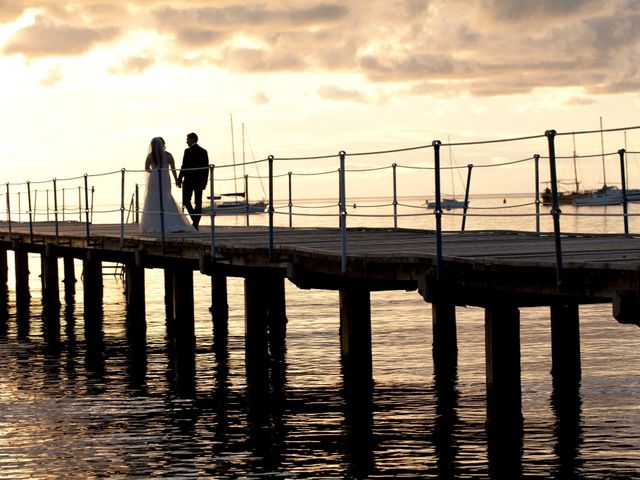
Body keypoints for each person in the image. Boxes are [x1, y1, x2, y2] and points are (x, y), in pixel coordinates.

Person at [140, 137, 195, 233]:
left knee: (152, 198)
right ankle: (172, 221)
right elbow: (173, 169)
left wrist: (154, 172)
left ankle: (153, 222)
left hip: (154, 179)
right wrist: (176, 180)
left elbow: (146, 168)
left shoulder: (150, 156)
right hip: (165, 178)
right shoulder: (169, 156)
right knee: (166, 197)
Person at [177, 132, 209, 230]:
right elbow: (206, 169)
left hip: (189, 181)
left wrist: (179, 179)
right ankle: (195, 223)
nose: (186, 141)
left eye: (187, 139)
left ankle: (195, 221)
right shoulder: (204, 151)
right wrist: (205, 182)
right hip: (199, 181)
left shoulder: (187, 151)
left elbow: (184, 166)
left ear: (192, 139)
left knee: (186, 201)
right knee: (198, 202)